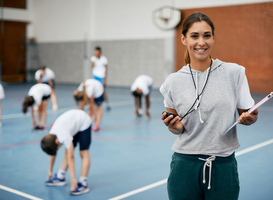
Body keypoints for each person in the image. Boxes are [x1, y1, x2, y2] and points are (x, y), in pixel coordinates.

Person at [160, 12, 258, 200]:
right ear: (183, 39)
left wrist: (249, 118)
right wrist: (175, 127)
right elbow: (176, 128)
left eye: (207, 35)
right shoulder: (172, 82)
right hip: (183, 166)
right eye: (194, 36)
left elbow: (250, 114)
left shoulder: (234, 73)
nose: (201, 42)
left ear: (213, 37)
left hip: (223, 166)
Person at [40, 109, 92, 196]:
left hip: (83, 122)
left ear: (57, 141)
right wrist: (50, 171)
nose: (58, 149)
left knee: (83, 153)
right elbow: (52, 154)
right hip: (73, 125)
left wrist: (73, 179)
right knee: (67, 151)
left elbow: (71, 157)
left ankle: (83, 183)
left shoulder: (64, 135)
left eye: (57, 148)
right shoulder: (51, 135)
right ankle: (61, 176)